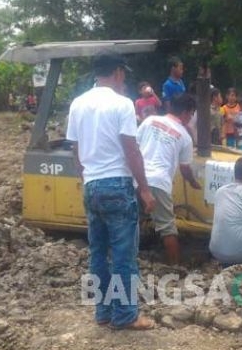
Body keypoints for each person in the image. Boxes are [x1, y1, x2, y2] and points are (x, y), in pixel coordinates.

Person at [66, 51, 156, 330]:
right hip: (117, 184)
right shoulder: (122, 104)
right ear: (117, 72)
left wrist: (88, 178)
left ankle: (103, 312)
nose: (124, 78)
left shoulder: (78, 104)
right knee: (123, 255)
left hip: (91, 185)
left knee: (98, 253)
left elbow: (76, 149)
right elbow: (131, 149)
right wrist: (145, 189)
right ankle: (126, 315)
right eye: (123, 73)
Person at [137, 93, 202, 265]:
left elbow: (134, 148)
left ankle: (127, 260)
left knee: (131, 220)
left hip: (136, 179)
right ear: (187, 112)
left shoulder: (149, 121)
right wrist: (193, 182)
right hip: (159, 182)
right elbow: (185, 167)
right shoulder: (185, 137)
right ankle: (175, 266)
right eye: (191, 113)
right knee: (167, 228)